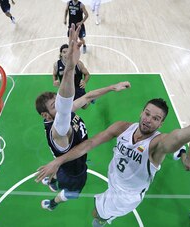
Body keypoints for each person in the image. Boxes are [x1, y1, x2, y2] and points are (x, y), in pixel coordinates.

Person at [35, 92, 190, 225]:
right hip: (114, 184)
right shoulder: (123, 127)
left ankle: (104, 220)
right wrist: (58, 161)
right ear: (141, 112)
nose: (148, 119)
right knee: (98, 209)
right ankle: (105, 216)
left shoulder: (157, 144)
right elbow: (89, 143)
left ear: (161, 123)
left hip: (125, 196)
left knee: (96, 215)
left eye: (155, 118)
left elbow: (188, 133)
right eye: (147, 113)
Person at [35, 23, 131, 211]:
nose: (63, 105)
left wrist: (113, 87)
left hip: (65, 160)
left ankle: (52, 178)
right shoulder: (58, 130)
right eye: (55, 105)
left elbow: (87, 96)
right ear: (46, 115)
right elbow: (64, 107)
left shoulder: (63, 113)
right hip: (73, 171)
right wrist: (69, 69)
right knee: (73, 193)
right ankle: (53, 203)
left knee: (57, 165)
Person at [52, 44, 92, 109]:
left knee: (84, 107)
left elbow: (87, 74)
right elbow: (54, 75)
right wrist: (55, 81)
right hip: (65, 89)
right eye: (64, 52)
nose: (66, 54)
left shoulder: (78, 63)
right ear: (61, 54)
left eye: (68, 52)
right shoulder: (57, 65)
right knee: (65, 108)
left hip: (77, 88)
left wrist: (84, 82)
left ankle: (90, 96)